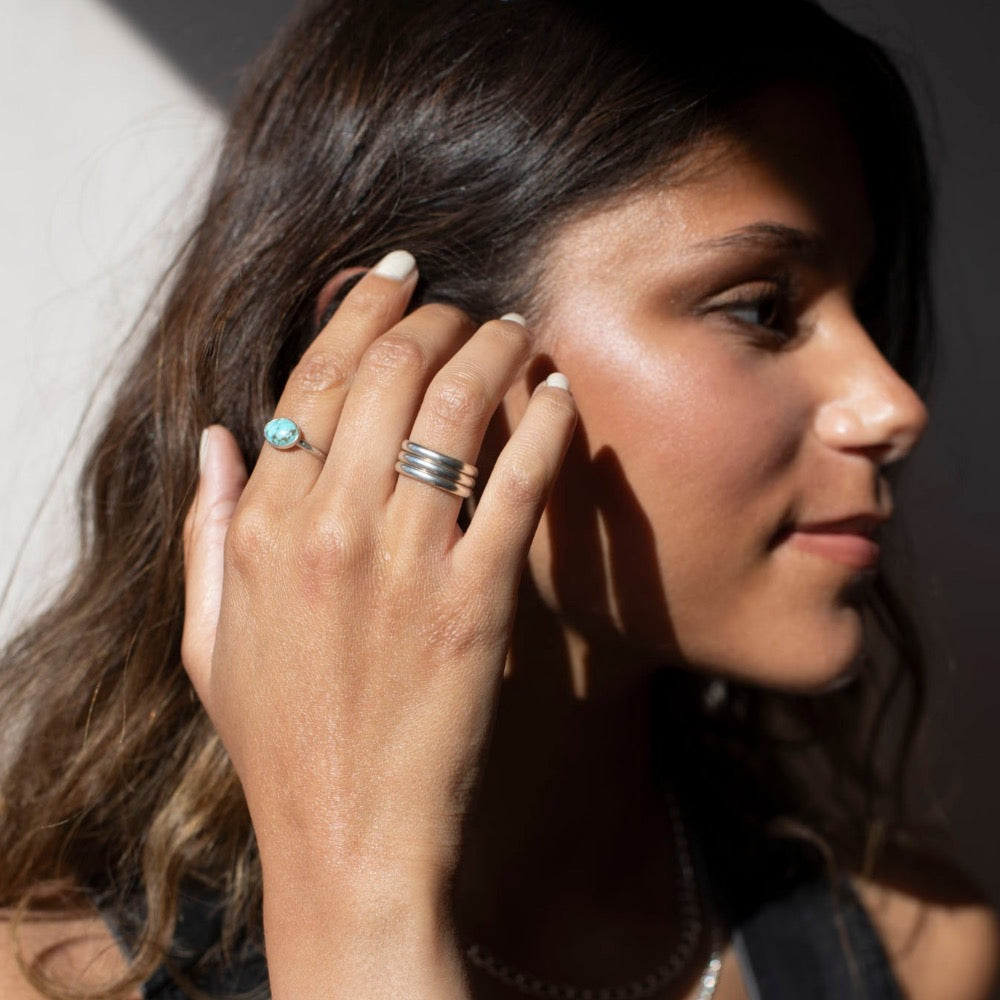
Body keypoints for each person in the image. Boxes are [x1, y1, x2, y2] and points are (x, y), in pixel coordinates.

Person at [1, 0, 998, 997]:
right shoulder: (49, 977)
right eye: (761, 306)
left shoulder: (917, 952)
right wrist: (363, 909)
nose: (893, 404)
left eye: (861, 309)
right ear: (397, 353)